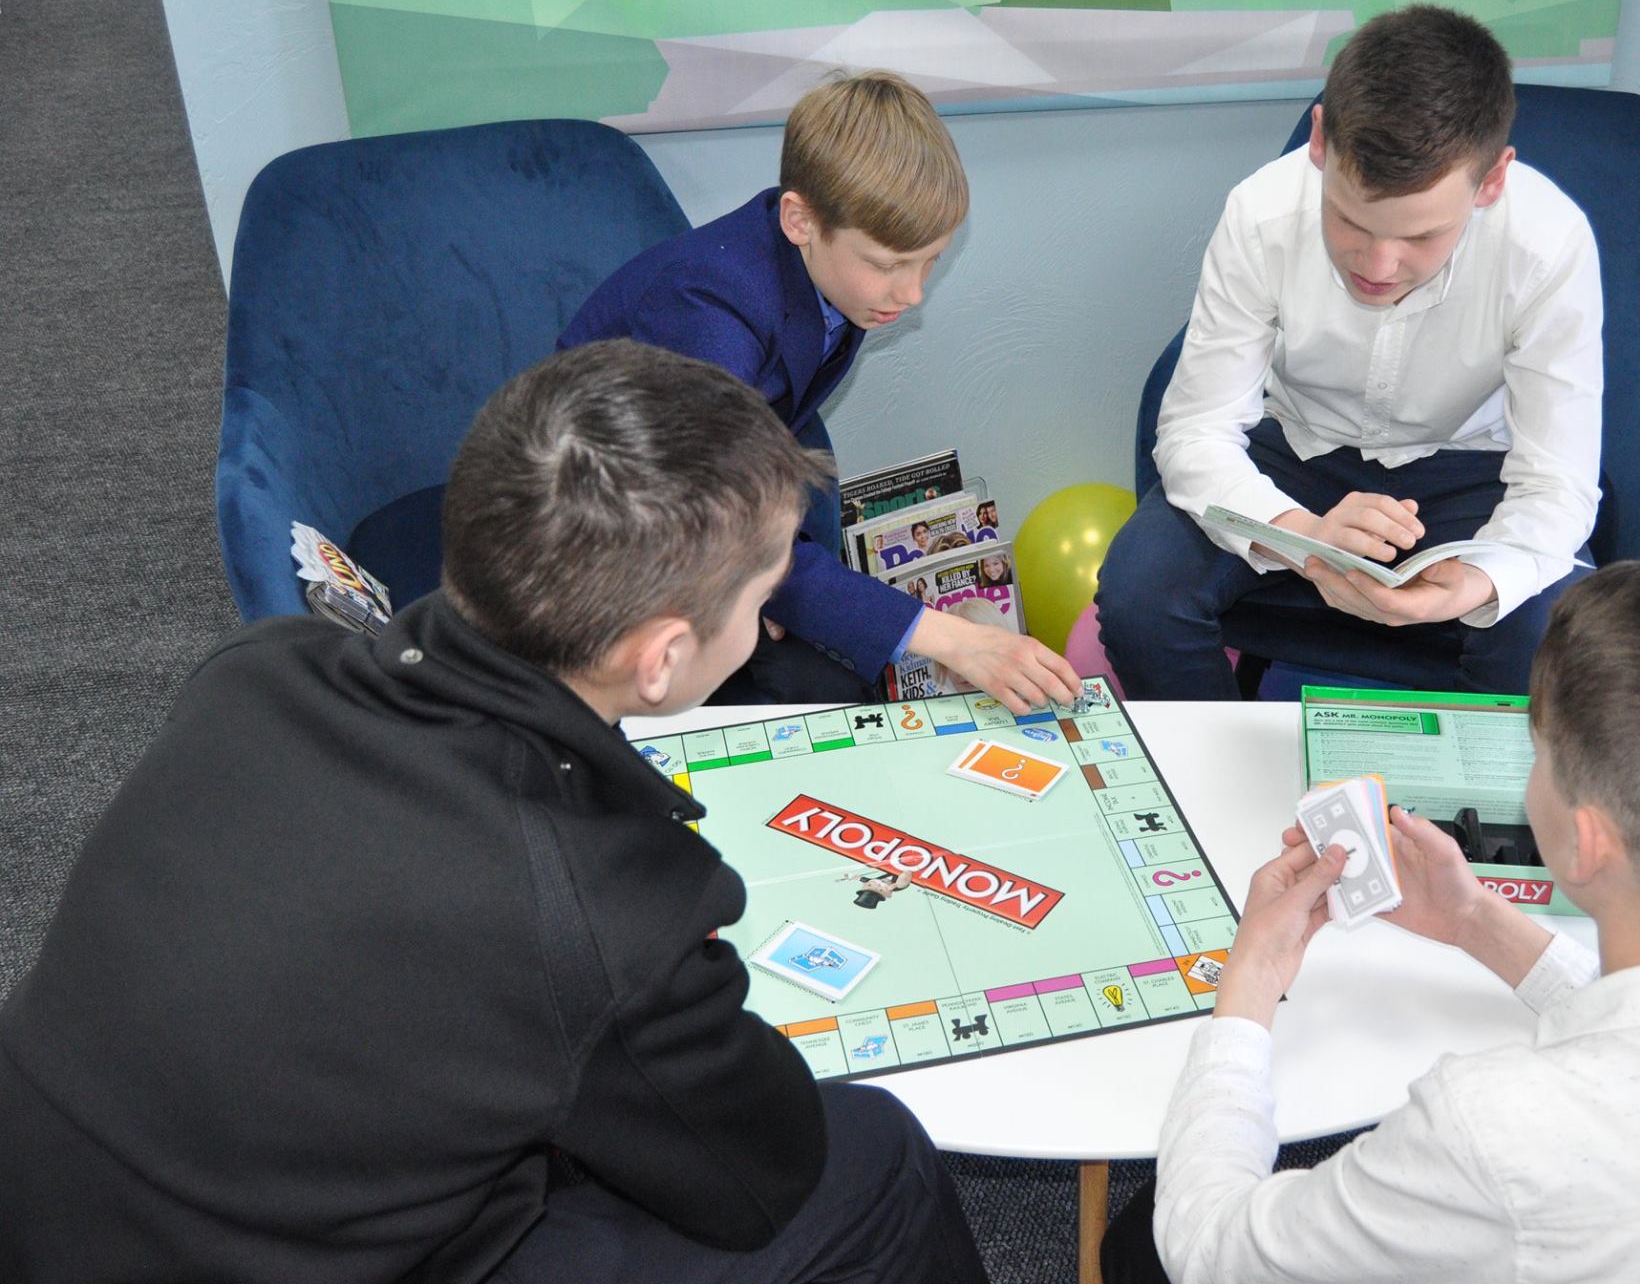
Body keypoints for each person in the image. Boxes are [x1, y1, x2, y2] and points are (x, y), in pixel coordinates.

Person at [0, 341, 988, 1284]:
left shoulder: (258, 671)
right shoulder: (605, 912)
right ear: (660, 659)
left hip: (42, 1209)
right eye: (765, 593)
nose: (771, 622)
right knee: (875, 1159)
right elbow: (760, 1179)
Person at [1100, 555, 1640, 1283]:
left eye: (1539, 754)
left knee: (1141, 1240)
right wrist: (1475, 921)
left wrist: (1249, 983)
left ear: (1585, 839)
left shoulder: (1492, 1126)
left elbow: (1209, 1251)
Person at [1096, 5, 1603, 699]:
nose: (1378, 265)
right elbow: (1195, 431)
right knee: (1140, 596)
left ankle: (1470, 776)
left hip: (1472, 470)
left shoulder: (1548, 244)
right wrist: (1301, 536)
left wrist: (1475, 583)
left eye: (1421, 236)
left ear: (1491, 181)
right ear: (1320, 141)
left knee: (1553, 635)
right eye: (1349, 219)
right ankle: (1209, 764)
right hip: (1295, 449)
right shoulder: (1262, 212)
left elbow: (1557, 483)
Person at [561, 69, 1077, 714]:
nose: (912, 293)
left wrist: (773, 586)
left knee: (836, 691)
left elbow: (770, 432)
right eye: (887, 264)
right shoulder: (708, 309)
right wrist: (950, 638)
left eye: (930, 261)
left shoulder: (836, 276)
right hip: (605, 541)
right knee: (813, 699)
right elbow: (715, 520)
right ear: (800, 219)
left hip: (712, 514)